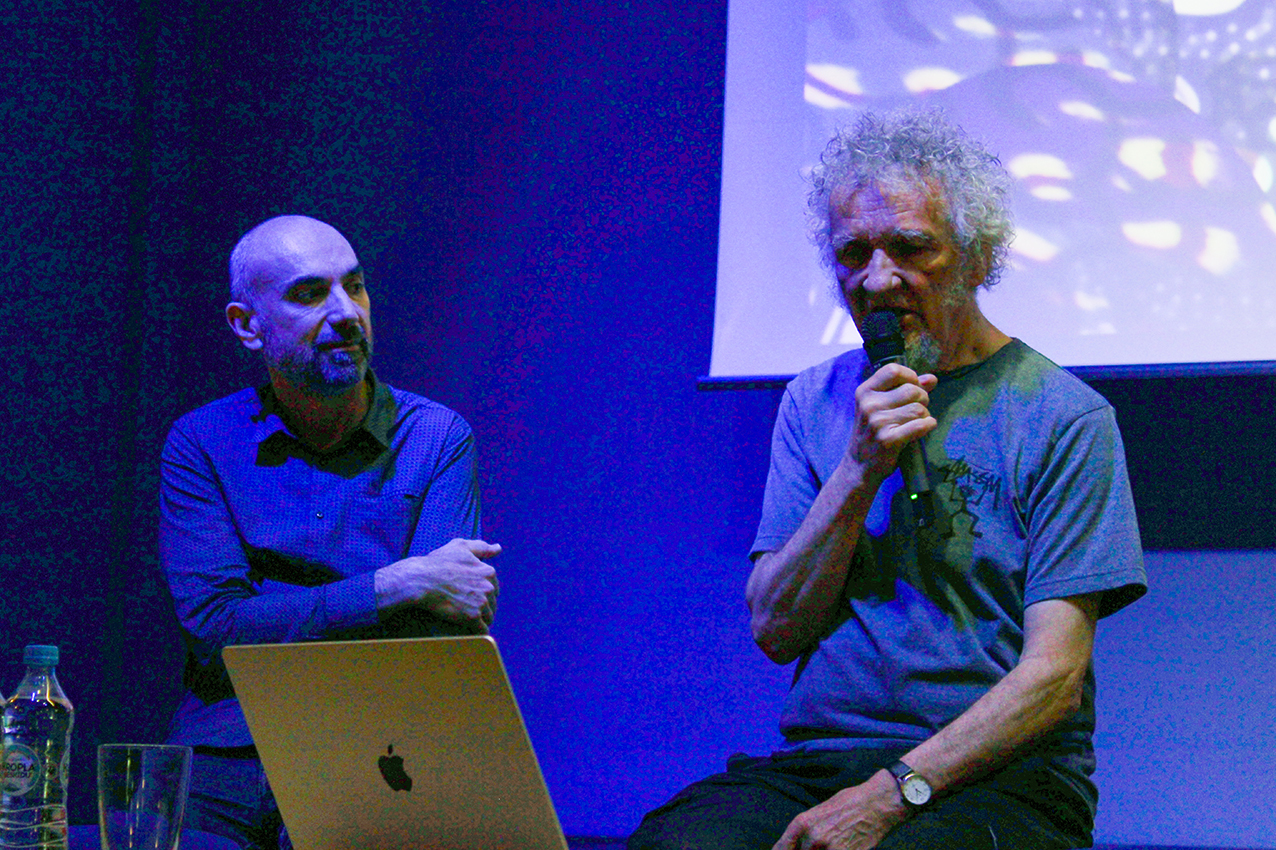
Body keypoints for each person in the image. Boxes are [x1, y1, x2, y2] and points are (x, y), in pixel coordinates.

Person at [629, 110, 1147, 850]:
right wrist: (858, 468)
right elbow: (775, 630)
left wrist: (893, 793)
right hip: (825, 759)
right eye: (853, 254)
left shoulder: (1064, 416)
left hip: (1002, 775)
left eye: (910, 248)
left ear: (978, 257)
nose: (876, 279)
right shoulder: (812, 400)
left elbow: (1055, 678)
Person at [159, 215, 502, 850]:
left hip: (375, 742)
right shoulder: (202, 441)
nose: (347, 312)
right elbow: (214, 629)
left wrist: (272, 620)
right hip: (226, 742)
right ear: (247, 325)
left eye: (355, 286)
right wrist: (396, 584)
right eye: (310, 293)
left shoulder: (435, 436)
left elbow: (441, 631)